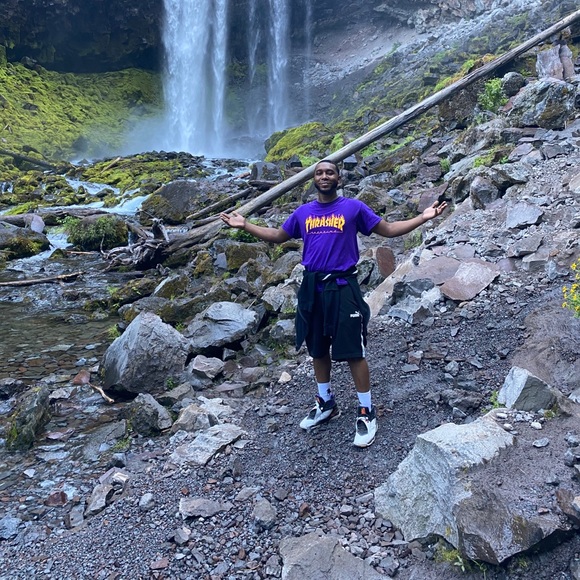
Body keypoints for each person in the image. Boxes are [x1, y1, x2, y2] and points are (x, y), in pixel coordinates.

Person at [220, 160, 447, 447]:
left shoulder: (353, 208)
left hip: (342, 287)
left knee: (353, 350)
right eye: (319, 173)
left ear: (338, 178)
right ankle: (326, 402)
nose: (324, 176)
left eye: (329, 172)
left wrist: (423, 217)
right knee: (317, 348)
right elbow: (278, 236)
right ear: (313, 179)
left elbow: (388, 229)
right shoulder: (303, 213)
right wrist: (246, 225)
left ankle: (366, 410)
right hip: (312, 288)